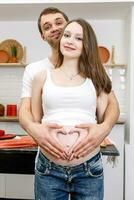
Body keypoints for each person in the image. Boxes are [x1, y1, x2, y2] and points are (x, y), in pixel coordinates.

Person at [19, 7, 119, 160]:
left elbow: (112, 106)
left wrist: (104, 128)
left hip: (87, 164)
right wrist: (33, 129)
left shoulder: (92, 71)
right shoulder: (35, 71)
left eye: (59, 23)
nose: (54, 28)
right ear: (42, 36)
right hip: (49, 162)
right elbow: (26, 111)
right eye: (47, 27)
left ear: (68, 25)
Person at [31, 18, 113, 199]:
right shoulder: (41, 77)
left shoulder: (97, 80)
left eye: (78, 38)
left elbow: (103, 118)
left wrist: (103, 128)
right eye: (67, 35)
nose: (70, 41)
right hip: (49, 169)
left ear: (87, 45)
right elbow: (35, 122)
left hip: (89, 169)